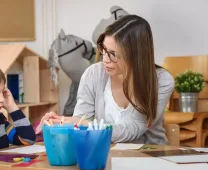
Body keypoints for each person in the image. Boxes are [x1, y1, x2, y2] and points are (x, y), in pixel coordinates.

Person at [36, 15, 174, 145]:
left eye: (113, 54)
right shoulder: (93, 74)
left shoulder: (162, 81)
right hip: (105, 154)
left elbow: (134, 128)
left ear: (135, 55)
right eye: (104, 50)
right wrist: (63, 121)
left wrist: (88, 126)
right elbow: (81, 119)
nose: (105, 59)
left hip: (150, 156)